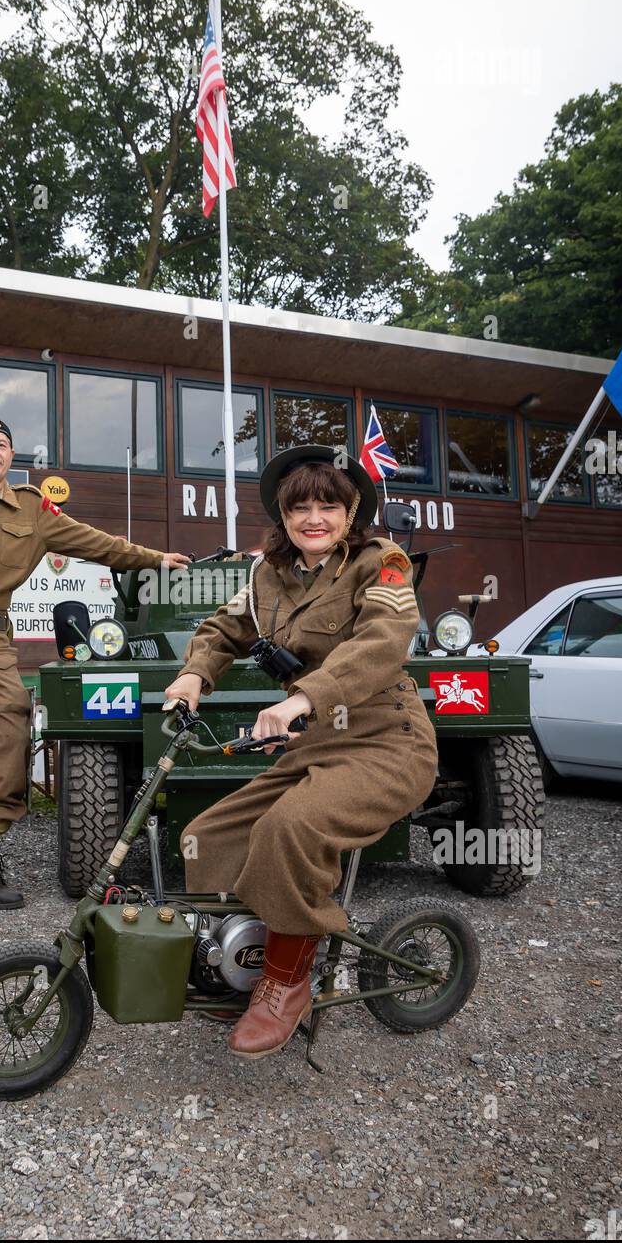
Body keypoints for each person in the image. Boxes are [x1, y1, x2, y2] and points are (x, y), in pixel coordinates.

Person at [163, 444, 438, 1060]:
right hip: (316, 745)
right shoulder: (267, 575)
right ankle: (240, 960)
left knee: (290, 828)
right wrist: (194, 675)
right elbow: (222, 629)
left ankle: (287, 983)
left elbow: (382, 640)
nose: (314, 519)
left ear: (351, 512)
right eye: (300, 509)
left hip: (387, 743)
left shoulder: (383, 562)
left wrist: (302, 698)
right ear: (282, 516)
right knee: (207, 835)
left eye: (328, 506)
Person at [0, 416, 189, 913]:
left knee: (10, 737)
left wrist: (154, 558)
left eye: (2, 445)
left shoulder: (34, 509)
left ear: (11, 457)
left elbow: (95, 542)